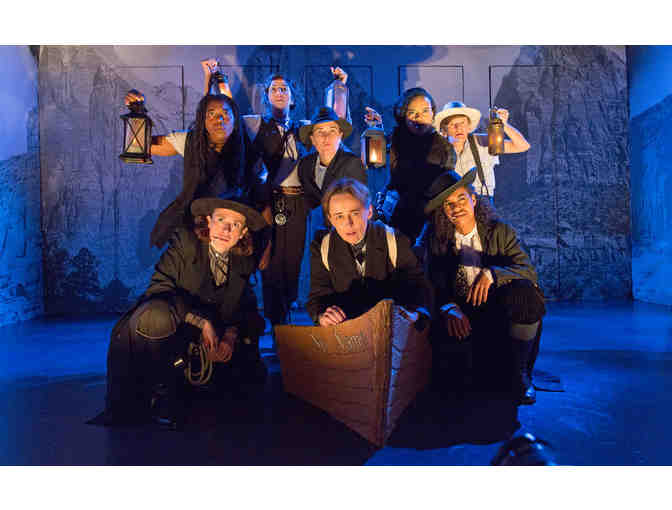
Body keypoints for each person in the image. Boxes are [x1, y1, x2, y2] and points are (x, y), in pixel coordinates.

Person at [201, 60, 351, 327]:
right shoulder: (256, 124)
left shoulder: (305, 128)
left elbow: (334, 125)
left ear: (292, 97)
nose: (279, 93)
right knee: (268, 258)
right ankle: (274, 319)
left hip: (298, 201)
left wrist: (341, 88)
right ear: (267, 96)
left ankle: (286, 313)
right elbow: (227, 111)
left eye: (284, 89)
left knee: (293, 259)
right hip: (268, 200)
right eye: (274, 89)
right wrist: (215, 79)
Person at [101, 197, 268, 427]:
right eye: (221, 220)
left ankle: (199, 393)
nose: (226, 229)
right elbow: (158, 290)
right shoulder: (185, 244)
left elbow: (247, 309)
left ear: (243, 233)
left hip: (210, 341)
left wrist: (230, 334)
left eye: (235, 224)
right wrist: (202, 323)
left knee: (249, 383)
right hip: (175, 326)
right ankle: (158, 392)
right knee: (155, 316)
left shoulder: (243, 262)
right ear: (208, 221)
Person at [422, 169, 545, 404]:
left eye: (461, 199)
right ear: (443, 211)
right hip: (462, 316)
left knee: (526, 294)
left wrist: (493, 274)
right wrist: (447, 306)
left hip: (498, 310)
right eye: (448, 204)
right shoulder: (436, 239)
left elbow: (527, 271)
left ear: (473, 200)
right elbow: (429, 281)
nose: (457, 208)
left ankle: (520, 374)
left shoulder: (500, 231)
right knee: (461, 388)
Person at [122, 89, 263, 250]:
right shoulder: (190, 141)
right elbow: (137, 145)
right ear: (203, 120)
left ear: (235, 119)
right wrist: (137, 111)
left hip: (231, 234)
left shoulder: (249, 146)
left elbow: (262, 197)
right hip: (194, 229)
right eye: (211, 114)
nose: (219, 119)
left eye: (225, 113)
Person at [306, 178, 430, 328]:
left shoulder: (393, 240)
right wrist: (322, 316)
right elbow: (318, 295)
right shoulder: (322, 246)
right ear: (330, 219)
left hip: (389, 328)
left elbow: (419, 286)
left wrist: (415, 313)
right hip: (346, 330)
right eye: (339, 216)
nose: (348, 223)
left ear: (369, 211)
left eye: (355, 213)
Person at [364, 88, 457, 243]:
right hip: (394, 218)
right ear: (403, 116)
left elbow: (446, 188)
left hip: (429, 221)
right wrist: (376, 127)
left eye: (425, 111)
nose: (419, 117)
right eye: (412, 112)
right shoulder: (397, 137)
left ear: (433, 113)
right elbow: (377, 154)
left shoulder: (445, 148)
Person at [433, 101, 530, 200]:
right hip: (453, 203)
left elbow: (522, 146)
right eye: (452, 124)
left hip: (482, 201)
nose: (459, 128)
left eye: (462, 123)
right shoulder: (437, 152)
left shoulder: (482, 141)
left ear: (469, 126)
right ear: (444, 130)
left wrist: (504, 125)